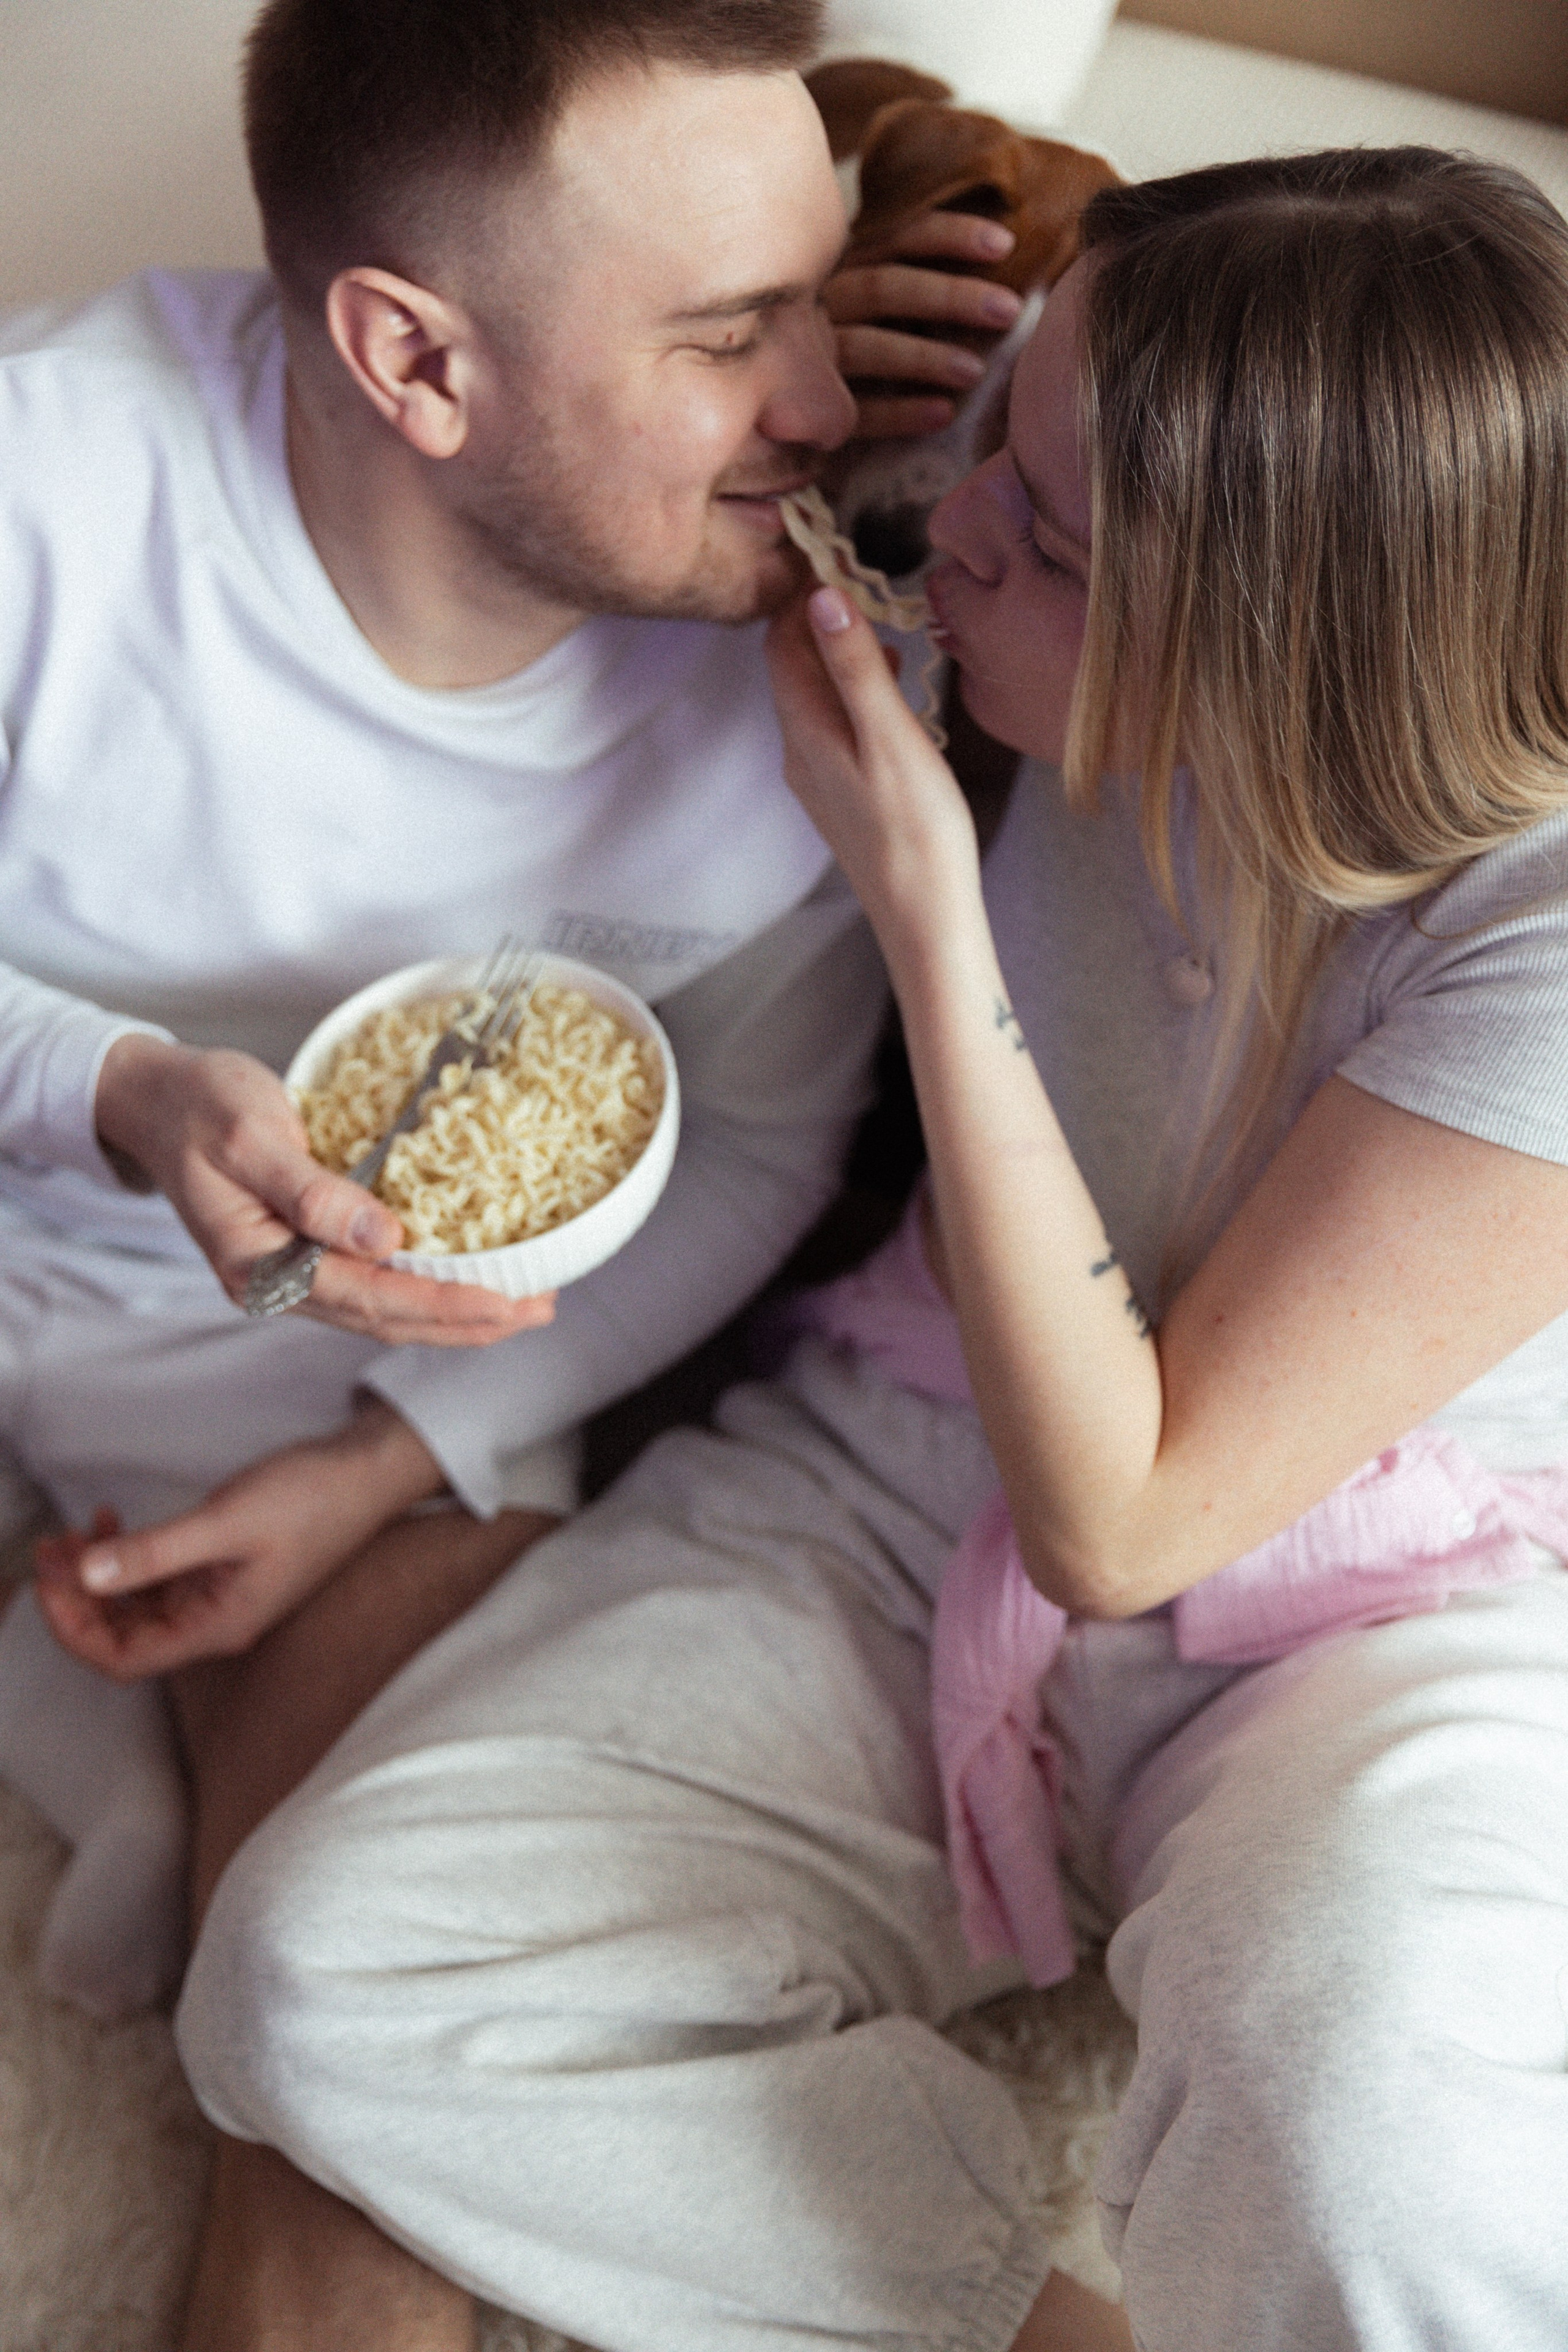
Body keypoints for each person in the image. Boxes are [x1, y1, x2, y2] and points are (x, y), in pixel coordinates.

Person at [177, 146, 1568, 2352]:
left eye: (1046, 531)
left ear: (1257, 651)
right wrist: (870, 288)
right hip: (899, 1462)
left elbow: (1128, 1516)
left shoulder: (1540, 937)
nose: (951, 523)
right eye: (1000, 437)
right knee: (320, 1971)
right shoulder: (1037, 451)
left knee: (1387, 2150)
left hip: (1392, 1598)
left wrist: (932, 905)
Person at [0, 0, 1026, 2020]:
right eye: (732, 336)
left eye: (823, 300)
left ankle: (161, 1774)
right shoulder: (47, 489)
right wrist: (114, 1089)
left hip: (304, 1359)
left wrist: (390, 1459)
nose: (827, 400)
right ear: (416, 357)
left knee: (379, 1955)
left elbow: (746, 1146)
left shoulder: (824, 672)